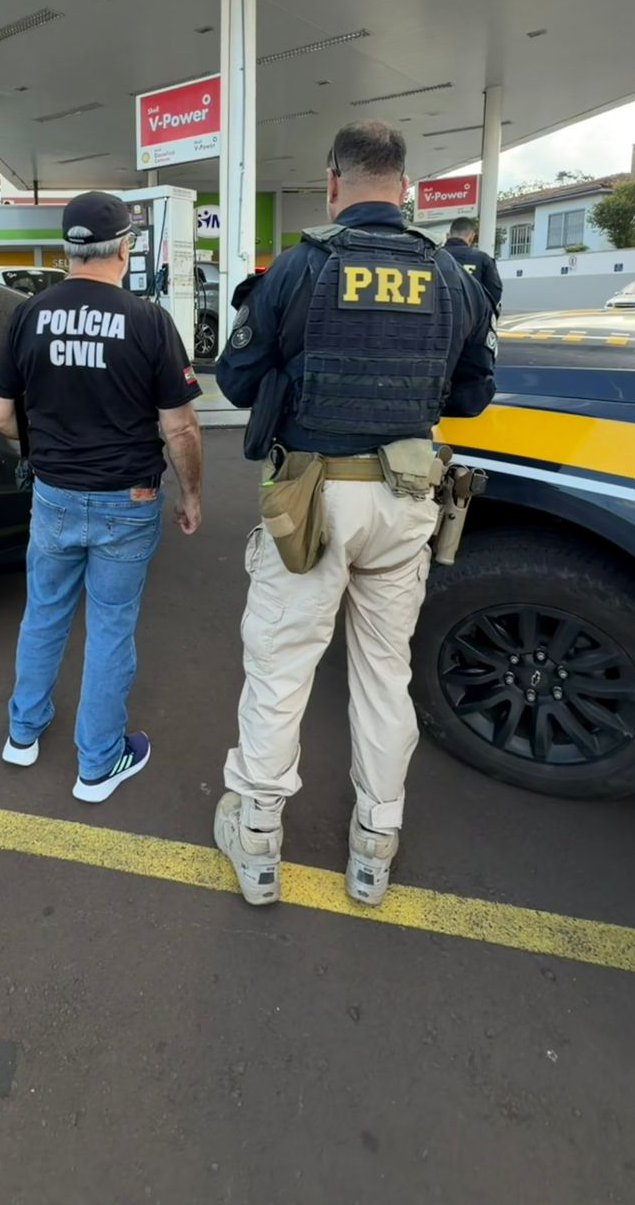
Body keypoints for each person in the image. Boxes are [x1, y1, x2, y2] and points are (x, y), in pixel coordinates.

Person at [213, 122, 496, 907]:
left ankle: (258, 840)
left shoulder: (301, 266)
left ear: (332, 183)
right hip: (407, 498)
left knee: (281, 668)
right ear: (404, 188)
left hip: (313, 499)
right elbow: (473, 394)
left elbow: (235, 382)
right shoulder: (452, 273)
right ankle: (375, 843)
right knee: (382, 673)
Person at [0, 191, 202, 803]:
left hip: (53, 493)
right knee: (110, 628)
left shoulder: (28, 315)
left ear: (67, 250)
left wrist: (43, 445)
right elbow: (181, 428)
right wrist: (191, 495)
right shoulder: (149, 320)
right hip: (128, 497)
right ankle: (98, 765)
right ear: (125, 248)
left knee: (44, 612)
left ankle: (23, 733)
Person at [443, 216, 503, 313]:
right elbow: (494, 293)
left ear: (448, 236)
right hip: (471, 318)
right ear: (471, 237)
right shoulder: (483, 259)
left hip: (439, 318)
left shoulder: (433, 257)